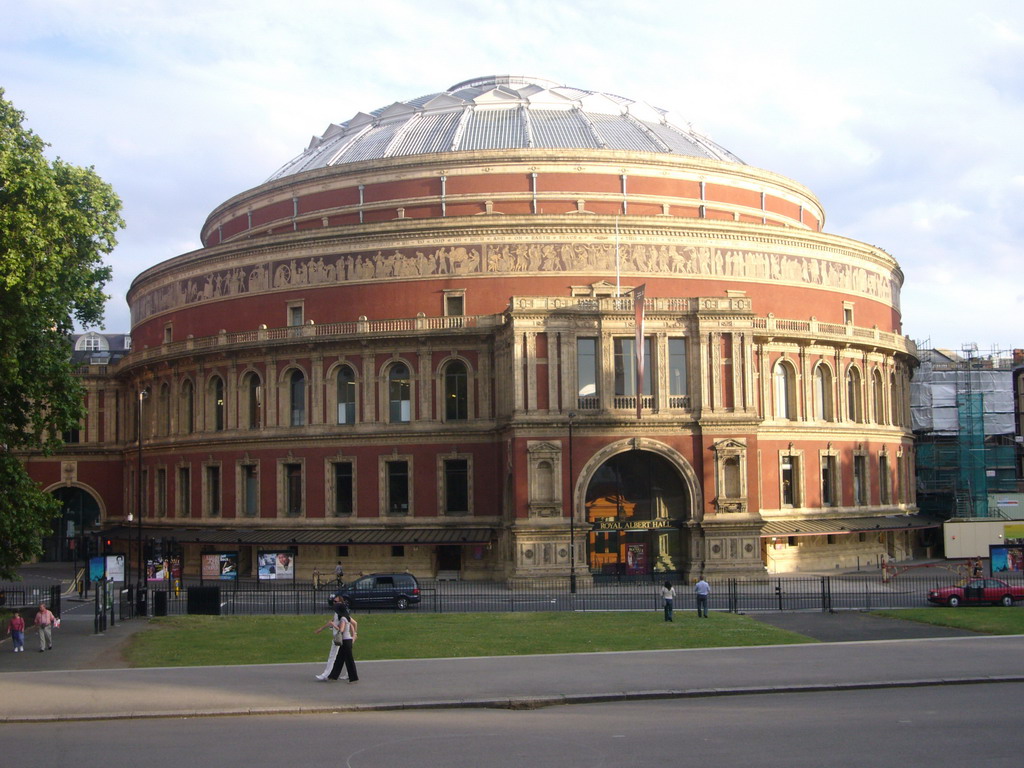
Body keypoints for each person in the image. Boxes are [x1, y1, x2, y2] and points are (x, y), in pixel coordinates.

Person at [314, 594, 349, 681]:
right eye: (334, 601)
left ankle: (325, 674)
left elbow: (342, 628)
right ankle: (349, 673)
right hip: (338, 637)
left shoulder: (342, 614)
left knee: (332, 656)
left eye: (336, 602)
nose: (334, 603)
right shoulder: (337, 613)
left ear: (341, 603)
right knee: (344, 656)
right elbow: (331, 622)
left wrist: (334, 625)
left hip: (339, 638)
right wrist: (320, 629)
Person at [326, 600, 359, 684]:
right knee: (340, 659)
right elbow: (355, 623)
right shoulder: (347, 617)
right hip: (347, 641)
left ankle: (353, 678)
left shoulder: (343, 619)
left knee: (349, 660)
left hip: (345, 641)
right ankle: (333, 676)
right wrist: (354, 634)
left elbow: (342, 630)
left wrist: (333, 625)